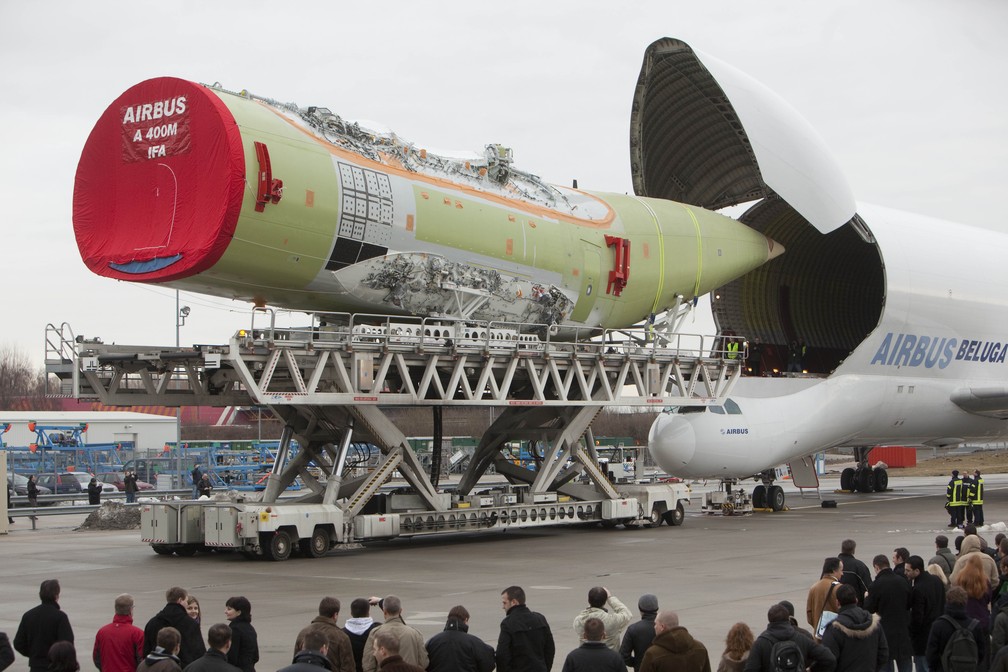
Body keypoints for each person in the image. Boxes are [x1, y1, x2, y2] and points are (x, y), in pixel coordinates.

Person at [745, 603, 835, 672]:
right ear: (788, 618)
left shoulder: (761, 643)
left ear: (770, 620)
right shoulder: (802, 638)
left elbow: (750, 669)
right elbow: (829, 659)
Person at [820, 584, 888, 672]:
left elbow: (828, 660)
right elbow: (883, 654)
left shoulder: (834, 629)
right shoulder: (874, 623)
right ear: (856, 600)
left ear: (837, 603)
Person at [13, 578, 74, 672]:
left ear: (40, 595)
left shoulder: (28, 615)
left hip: (36, 667)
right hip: (56, 667)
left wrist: (34, 655)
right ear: (56, 596)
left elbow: (18, 643)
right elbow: (67, 645)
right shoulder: (60, 617)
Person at [865, 554, 912, 672]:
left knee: (885, 662)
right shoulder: (902, 581)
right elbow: (909, 603)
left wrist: (867, 597)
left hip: (884, 630)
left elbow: (869, 609)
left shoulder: (875, 585)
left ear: (876, 567)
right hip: (903, 628)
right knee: (905, 662)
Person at [925, 586, 986, 672]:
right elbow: (981, 653)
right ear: (965, 602)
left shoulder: (939, 625)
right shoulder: (975, 626)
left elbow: (931, 655)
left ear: (948, 601)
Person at [497, 585, 555, 672]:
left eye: (505, 603)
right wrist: (545, 668)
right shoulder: (540, 619)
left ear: (514, 602)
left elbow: (502, 654)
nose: (503, 607)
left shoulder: (508, 623)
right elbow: (550, 648)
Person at [143, 587, 205, 667]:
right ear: (180, 600)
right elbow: (199, 654)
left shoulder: (152, 623)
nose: (186, 604)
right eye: (186, 601)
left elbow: (146, 652)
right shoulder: (190, 624)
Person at [361, 596, 427, 672]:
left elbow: (368, 664)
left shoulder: (375, 633)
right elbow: (423, 662)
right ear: (401, 611)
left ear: (384, 612)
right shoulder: (415, 633)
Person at [425, 605, 495, 672]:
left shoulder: (432, 642)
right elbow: (488, 663)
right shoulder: (474, 642)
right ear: (466, 620)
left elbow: (424, 663)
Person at [639, 610, 711, 672]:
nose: (654, 627)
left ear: (662, 627)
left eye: (656, 624)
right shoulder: (700, 648)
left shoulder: (653, 654)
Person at [296, 597, 355, 672]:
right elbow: (348, 668)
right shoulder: (341, 637)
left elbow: (296, 661)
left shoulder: (303, 633)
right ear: (335, 615)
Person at [907, 555, 946, 672]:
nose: (906, 573)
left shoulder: (918, 588)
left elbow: (917, 617)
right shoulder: (937, 581)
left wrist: (912, 633)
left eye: (908, 570)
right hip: (939, 632)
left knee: (922, 666)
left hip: (923, 638)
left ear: (917, 571)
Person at [93, 593, 144, 672]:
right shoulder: (138, 633)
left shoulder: (102, 632)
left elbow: (96, 658)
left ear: (115, 609)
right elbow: (142, 661)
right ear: (131, 609)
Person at [572, 586, 632, 651]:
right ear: (604, 601)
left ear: (589, 600)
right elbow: (627, 613)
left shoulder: (579, 620)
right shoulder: (612, 621)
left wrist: (592, 603)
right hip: (610, 658)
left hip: (586, 658)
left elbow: (585, 612)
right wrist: (610, 598)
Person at [621, 594, 659, 672]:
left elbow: (624, 655)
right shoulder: (664, 627)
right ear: (657, 608)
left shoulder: (633, 629)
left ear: (640, 609)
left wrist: (637, 663)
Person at [807, 557, 843, 637]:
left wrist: (818, 625)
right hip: (835, 637)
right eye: (841, 570)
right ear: (834, 570)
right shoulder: (839, 588)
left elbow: (809, 614)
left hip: (819, 635)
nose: (842, 573)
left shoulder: (814, 587)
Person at [343, 598, 380, 672]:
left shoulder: (341, 633)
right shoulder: (377, 630)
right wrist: (381, 601)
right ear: (368, 612)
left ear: (351, 613)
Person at [223, 596, 258, 672]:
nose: (225, 611)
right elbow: (256, 656)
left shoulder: (234, 629)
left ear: (239, 612)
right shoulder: (250, 629)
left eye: (229, 609)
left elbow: (231, 657)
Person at [838, 539, 873, 607]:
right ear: (853, 550)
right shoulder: (859, 566)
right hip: (855, 606)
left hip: (835, 607)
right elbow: (867, 587)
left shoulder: (831, 565)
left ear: (842, 549)